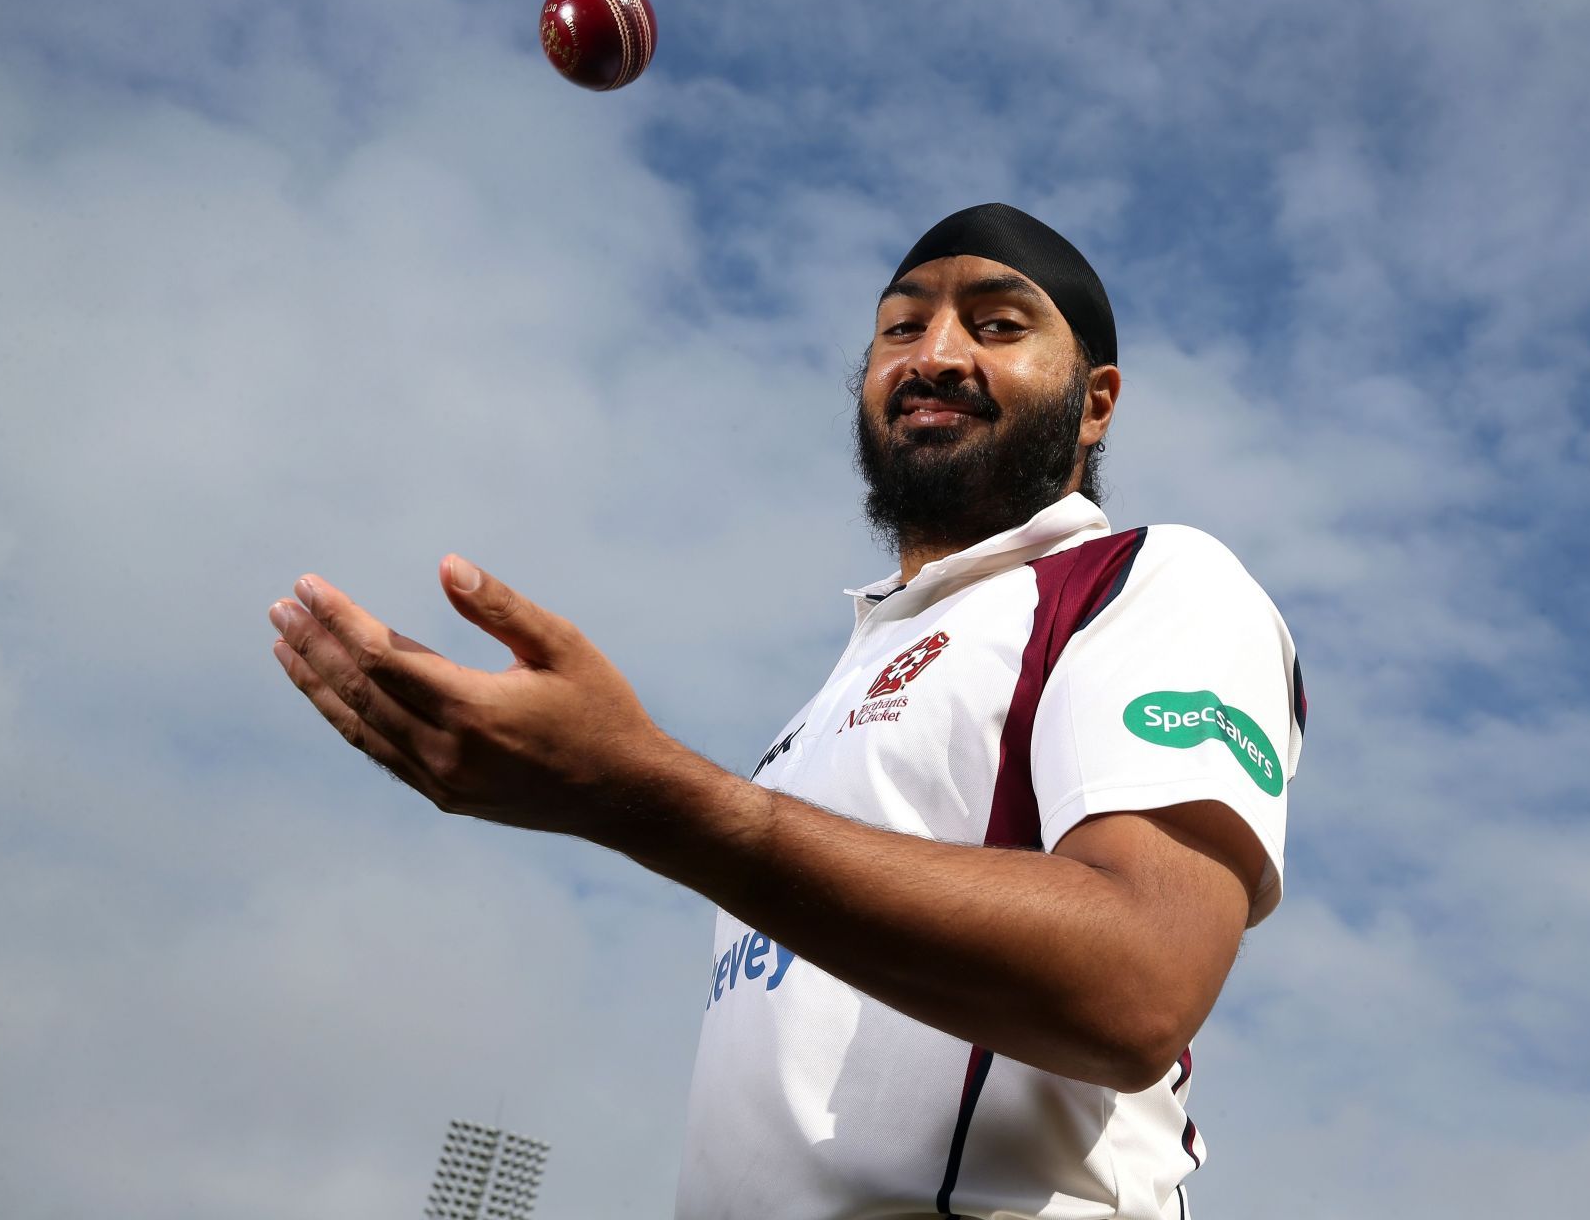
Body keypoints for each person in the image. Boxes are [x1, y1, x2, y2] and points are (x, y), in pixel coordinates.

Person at [267, 203, 1306, 1219]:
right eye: (901, 327)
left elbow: (1138, 980)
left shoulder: (1146, 579)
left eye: (996, 325)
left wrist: (639, 792)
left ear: (1095, 402)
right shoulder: (815, 712)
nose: (934, 356)